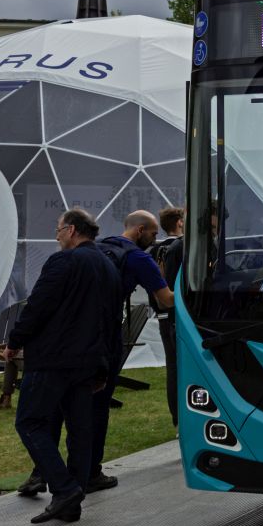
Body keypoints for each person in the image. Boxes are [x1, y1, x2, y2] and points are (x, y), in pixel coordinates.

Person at [6, 207, 120, 524]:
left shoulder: (64, 261)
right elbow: (112, 320)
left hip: (53, 358)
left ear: (71, 230)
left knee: (30, 422)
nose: (56, 236)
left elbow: (38, 305)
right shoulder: (108, 266)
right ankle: (71, 502)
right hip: (88, 363)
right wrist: (104, 366)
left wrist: (15, 341)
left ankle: (65, 488)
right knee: (80, 431)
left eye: (58, 230)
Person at [89, 210, 175, 489]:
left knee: (69, 403)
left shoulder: (96, 247)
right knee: (99, 405)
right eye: (153, 234)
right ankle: (91, 472)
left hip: (76, 335)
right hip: (106, 336)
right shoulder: (139, 258)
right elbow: (166, 300)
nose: (155, 239)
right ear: (139, 230)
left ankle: (43, 471)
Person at [151, 206, 184, 426]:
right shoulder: (180, 248)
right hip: (176, 315)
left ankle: (176, 419)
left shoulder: (154, 250)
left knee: (172, 367)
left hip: (162, 315)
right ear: (179, 222)